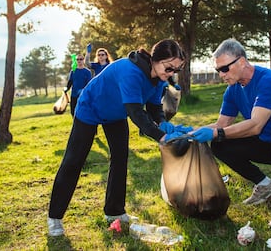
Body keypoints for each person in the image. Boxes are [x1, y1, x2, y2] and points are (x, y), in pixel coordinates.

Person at [48, 39, 191, 236]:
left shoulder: (159, 78)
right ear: (155, 59)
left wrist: (162, 121)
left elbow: (153, 107)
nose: (171, 74)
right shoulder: (130, 71)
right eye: (169, 68)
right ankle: (54, 217)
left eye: (176, 70)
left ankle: (114, 211)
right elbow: (136, 113)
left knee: (120, 157)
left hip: (115, 114)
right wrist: (162, 136)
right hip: (91, 107)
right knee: (74, 160)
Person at [191, 38, 271, 228]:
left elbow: (255, 125)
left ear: (242, 61)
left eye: (225, 68)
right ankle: (265, 185)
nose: (221, 75)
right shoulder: (233, 90)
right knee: (219, 143)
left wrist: (217, 133)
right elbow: (222, 124)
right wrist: (188, 131)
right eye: (218, 70)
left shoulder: (269, 80)